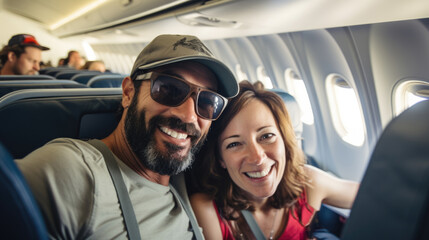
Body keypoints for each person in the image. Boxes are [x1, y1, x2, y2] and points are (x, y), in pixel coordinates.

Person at [16, 34, 238, 239]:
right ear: (128, 93)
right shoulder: (70, 171)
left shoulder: (197, 176)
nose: (189, 116)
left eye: (208, 102)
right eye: (169, 89)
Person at [189, 81, 359, 240]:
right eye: (234, 144)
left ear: (284, 141)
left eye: (266, 136)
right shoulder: (207, 209)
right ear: (221, 159)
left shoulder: (307, 183)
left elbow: (372, 195)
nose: (257, 158)